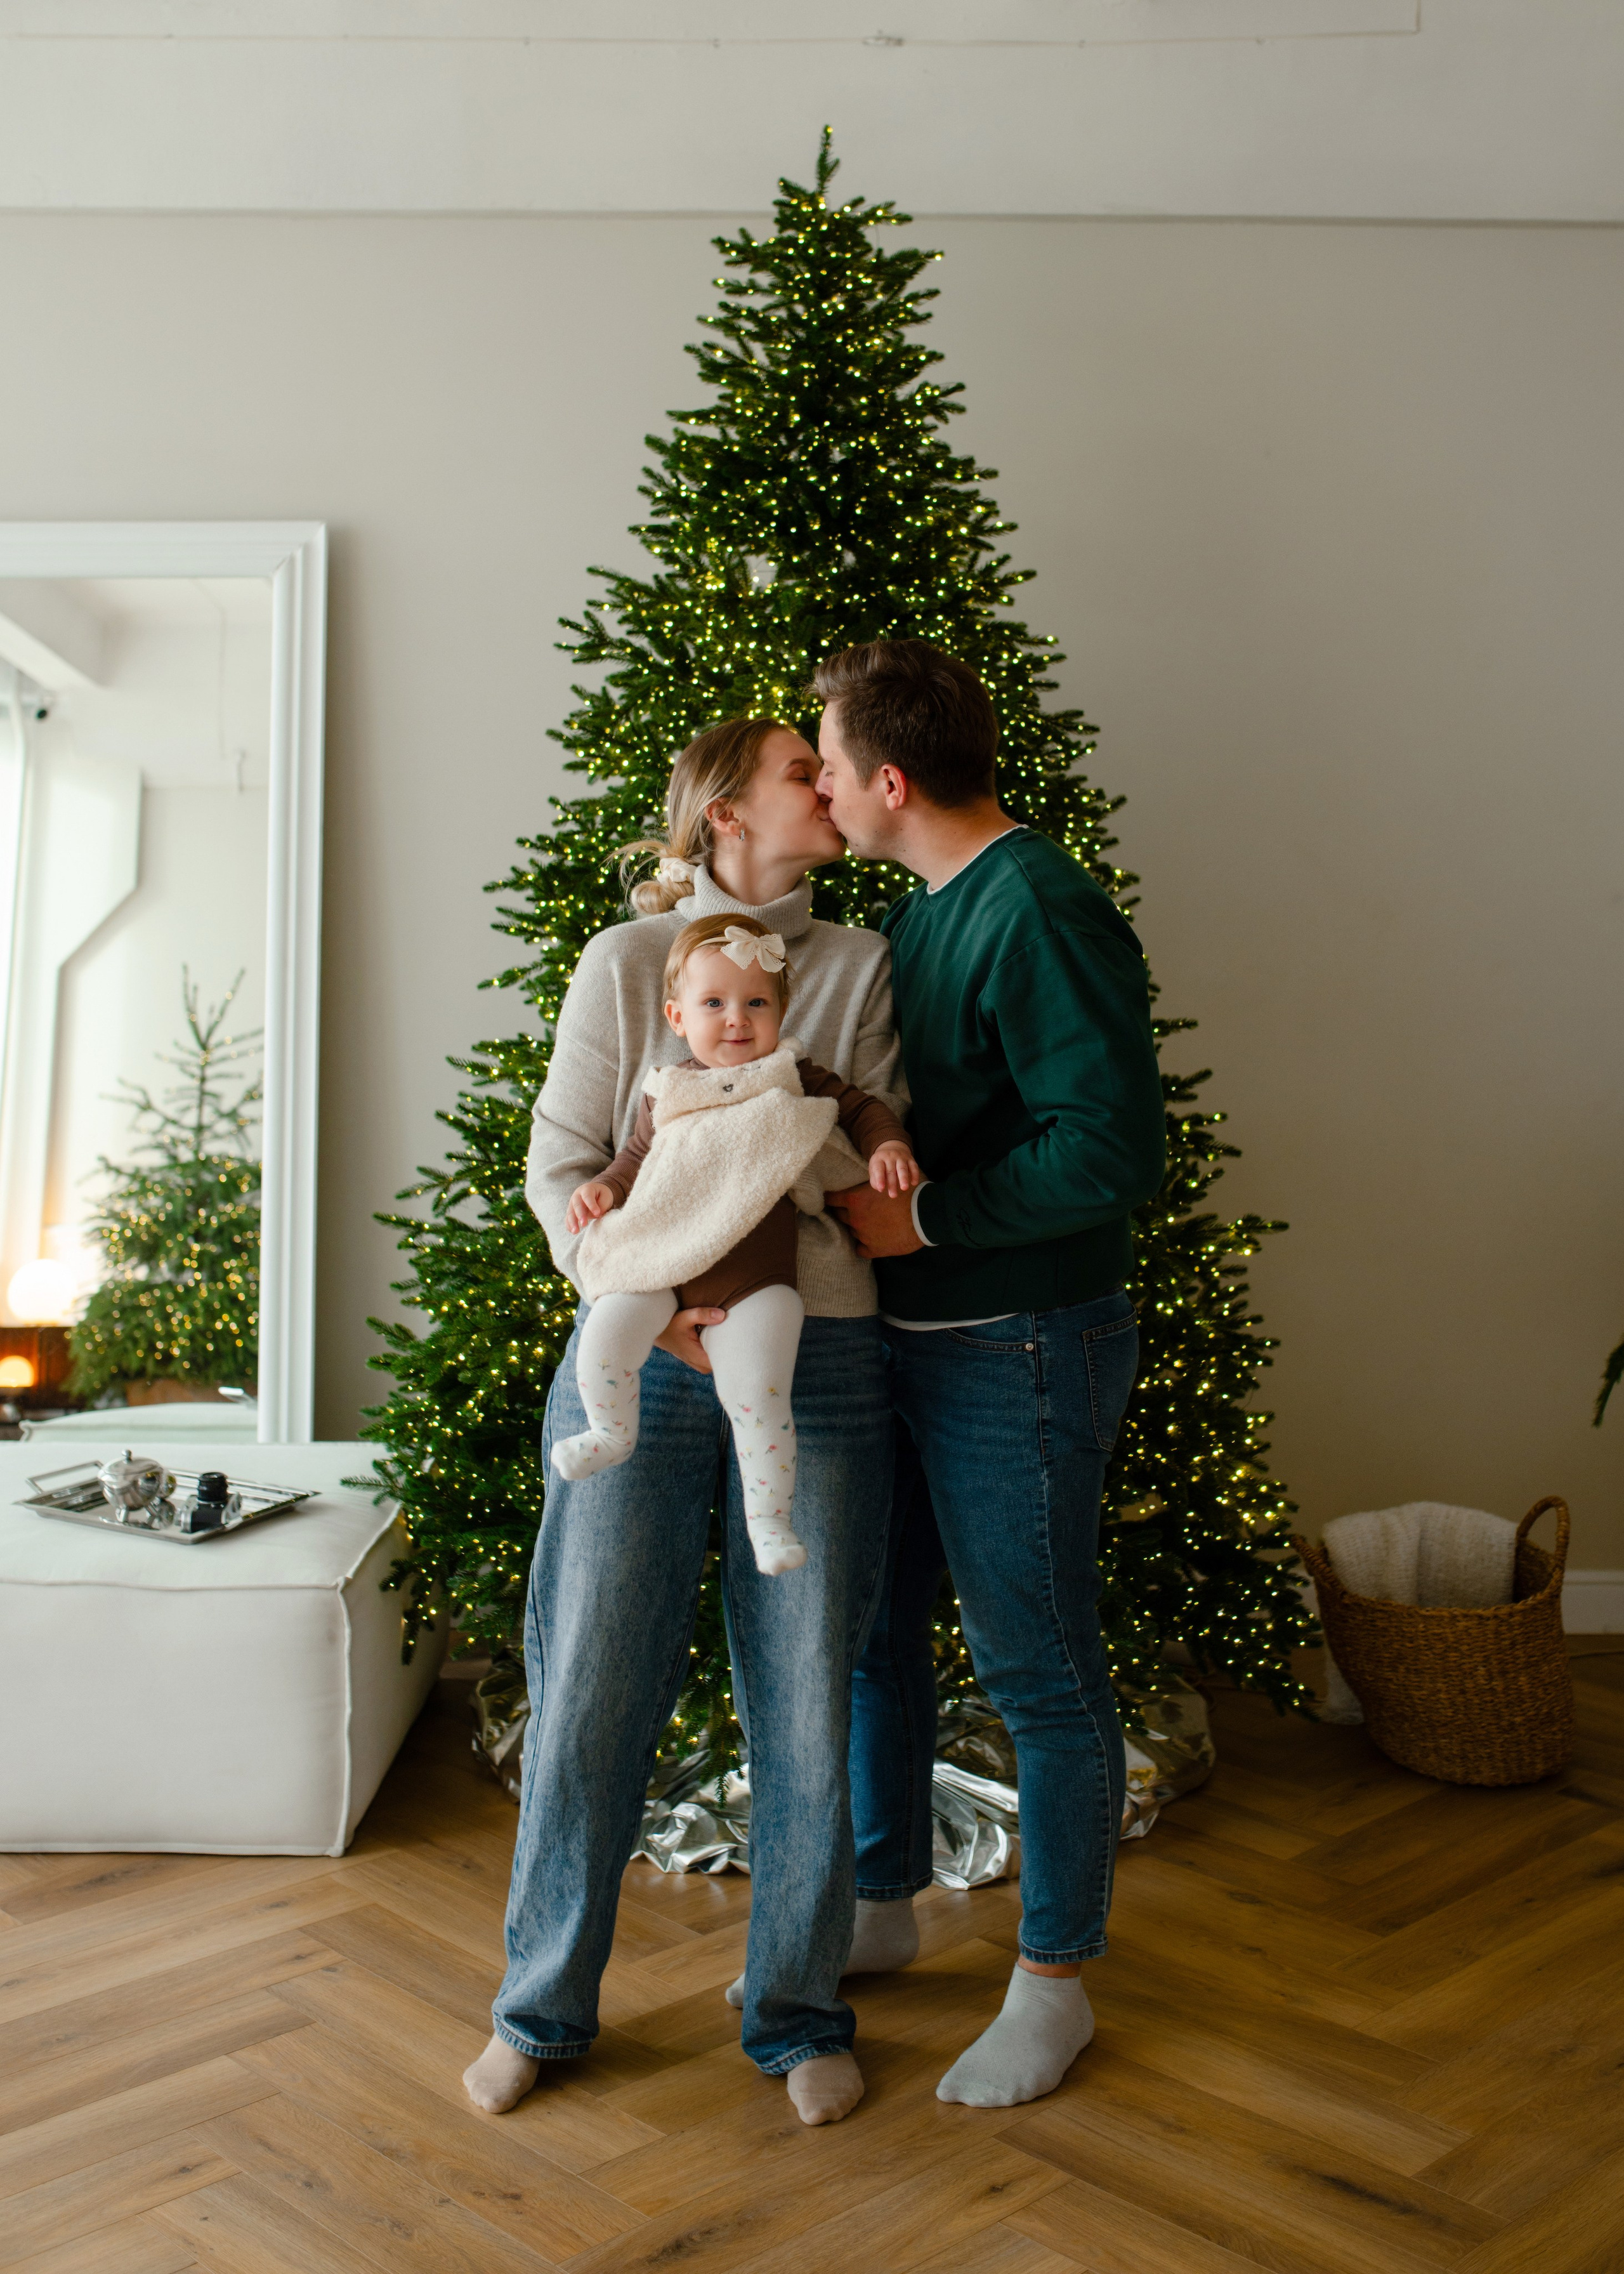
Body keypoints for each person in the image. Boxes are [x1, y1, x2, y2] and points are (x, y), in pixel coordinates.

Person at [464, 716, 903, 2129]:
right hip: (644, 1359)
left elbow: (856, 1172)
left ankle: (795, 2011)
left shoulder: (856, 968)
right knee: (589, 1674)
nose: (827, 790)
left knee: (807, 1686)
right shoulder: (620, 964)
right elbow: (562, 1171)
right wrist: (656, 1305)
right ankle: (538, 2007)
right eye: (801, 773)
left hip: (815, 1357)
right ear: (723, 808)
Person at [815, 638, 1167, 2109]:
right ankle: (884, 1901)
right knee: (880, 1638)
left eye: (827, 766)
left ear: (889, 782)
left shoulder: (1036, 904)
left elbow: (1110, 1149)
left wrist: (928, 1219)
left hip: (1019, 1346)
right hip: (906, 1341)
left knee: (1035, 1669)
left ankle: (1052, 1984)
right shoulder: (921, 910)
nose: (817, 790)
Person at [554, 909, 919, 1574]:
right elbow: (635, 1155)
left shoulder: (790, 1073)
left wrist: (888, 1143)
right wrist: (602, 1189)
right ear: (676, 1016)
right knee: (608, 1329)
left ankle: (770, 1518)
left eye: (757, 1003)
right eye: (714, 1003)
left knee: (760, 1388)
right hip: (658, 1260)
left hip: (753, 1275)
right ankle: (608, 1429)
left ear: (782, 1013)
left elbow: (865, 1108)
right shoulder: (666, 1087)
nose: (736, 1018)